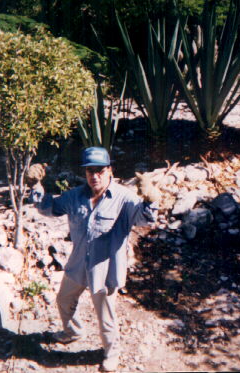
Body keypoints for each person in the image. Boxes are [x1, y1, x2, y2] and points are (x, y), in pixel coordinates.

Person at [29, 146, 160, 372]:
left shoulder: (124, 198)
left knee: (105, 317)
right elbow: (47, 207)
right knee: (63, 300)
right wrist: (35, 185)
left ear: (110, 170)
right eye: (90, 171)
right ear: (85, 172)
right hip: (78, 264)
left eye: (100, 170)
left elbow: (145, 220)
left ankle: (112, 353)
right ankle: (73, 332)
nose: (95, 176)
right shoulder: (74, 196)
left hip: (105, 270)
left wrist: (150, 200)